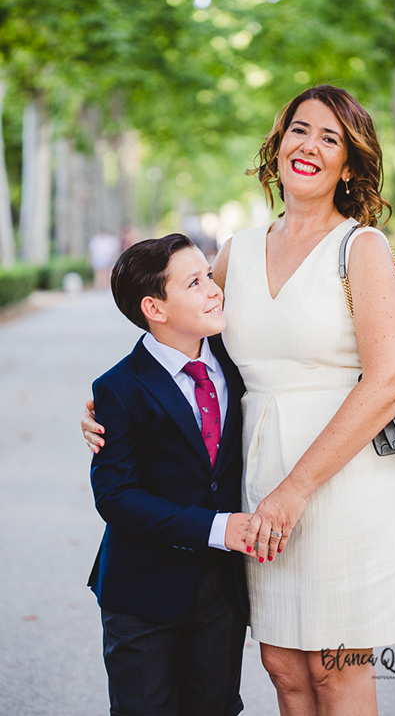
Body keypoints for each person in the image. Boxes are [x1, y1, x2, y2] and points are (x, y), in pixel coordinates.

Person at [84, 85, 395, 716]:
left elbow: (389, 381)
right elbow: (184, 338)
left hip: (339, 478)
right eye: (299, 129)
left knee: (334, 667)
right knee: (284, 668)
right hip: (255, 476)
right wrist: (108, 406)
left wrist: (295, 489)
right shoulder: (236, 249)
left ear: (350, 163)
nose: (309, 145)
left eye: (330, 137)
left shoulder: (362, 248)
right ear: (278, 142)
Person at [88, 233, 254, 716]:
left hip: (220, 593)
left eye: (210, 275)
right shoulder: (118, 389)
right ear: (155, 309)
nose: (214, 289)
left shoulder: (234, 360)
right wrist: (218, 528)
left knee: (216, 706)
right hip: (143, 592)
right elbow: (115, 496)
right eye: (196, 282)